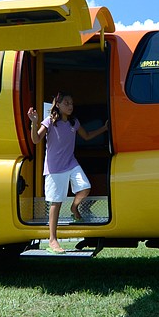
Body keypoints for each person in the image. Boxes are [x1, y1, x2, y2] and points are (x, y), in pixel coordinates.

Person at [26, 92, 109, 254]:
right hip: (54, 168)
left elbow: (87, 136)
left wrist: (104, 128)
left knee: (85, 188)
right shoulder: (49, 122)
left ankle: (74, 208)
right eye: (66, 103)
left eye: (71, 103)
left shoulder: (74, 122)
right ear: (57, 104)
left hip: (71, 164)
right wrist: (34, 123)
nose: (70, 106)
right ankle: (52, 240)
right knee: (56, 203)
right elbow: (36, 140)